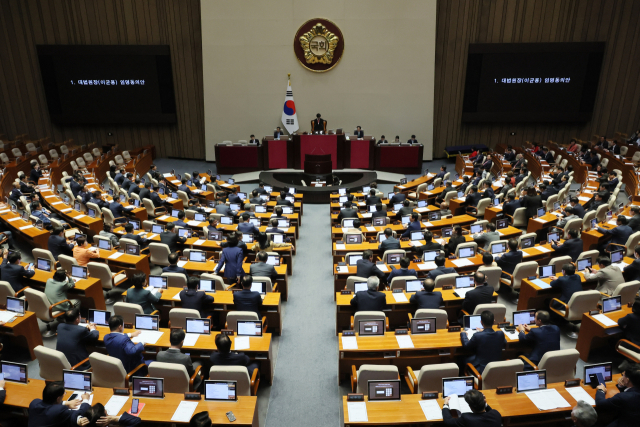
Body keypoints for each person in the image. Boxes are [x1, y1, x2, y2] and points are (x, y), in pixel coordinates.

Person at [28, 381, 92, 427]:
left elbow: (48, 404)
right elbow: (78, 413)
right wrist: (85, 400)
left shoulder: (34, 403)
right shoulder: (59, 410)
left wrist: (66, 402)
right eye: (63, 394)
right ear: (58, 398)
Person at [461, 310, 506, 375]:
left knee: (461, 358)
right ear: (494, 321)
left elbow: (466, 345)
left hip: (480, 370)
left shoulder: (478, 335)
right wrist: (485, 331)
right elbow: (504, 341)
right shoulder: (500, 334)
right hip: (496, 367)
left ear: (481, 322)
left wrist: (463, 334)